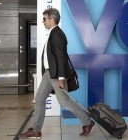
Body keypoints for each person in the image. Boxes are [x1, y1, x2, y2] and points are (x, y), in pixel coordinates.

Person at [18, 8, 95, 138]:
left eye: (45, 19)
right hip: (49, 74)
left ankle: (87, 122)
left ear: (52, 20)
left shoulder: (58, 34)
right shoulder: (53, 33)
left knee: (64, 101)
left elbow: (61, 57)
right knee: (39, 99)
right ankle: (36, 130)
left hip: (56, 75)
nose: (43, 21)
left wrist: (60, 78)